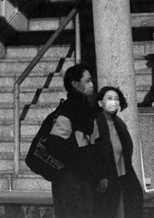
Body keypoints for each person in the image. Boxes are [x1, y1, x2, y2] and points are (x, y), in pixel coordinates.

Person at [50, 63, 101, 218]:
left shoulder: (83, 107)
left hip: (80, 178)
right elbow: (56, 144)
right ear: (74, 84)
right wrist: (78, 166)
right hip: (71, 180)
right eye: (87, 81)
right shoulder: (69, 109)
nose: (91, 85)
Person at [92, 86, 144, 218]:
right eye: (109, 98)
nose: (113, 102)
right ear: (100, 103)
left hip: (122, 178)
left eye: (116, 99)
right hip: (104, 180)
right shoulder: (95, 124)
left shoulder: (119, 124)